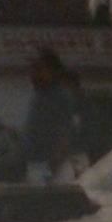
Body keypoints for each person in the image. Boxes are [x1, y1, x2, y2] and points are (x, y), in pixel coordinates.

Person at [21, 48, 76, 184]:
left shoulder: (60, 97)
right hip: (37, 165)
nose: (33, 73)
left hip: (54, 169)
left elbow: (66, 136)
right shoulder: (38, 96)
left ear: (52, 70)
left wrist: (49, 171)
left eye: (38, 68)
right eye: (32, 68)